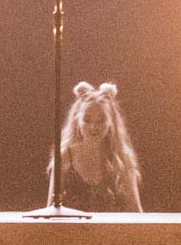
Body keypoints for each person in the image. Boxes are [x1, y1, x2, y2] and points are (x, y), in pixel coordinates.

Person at [47, 81, 143, 212]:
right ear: (77, 120)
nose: (93, 126)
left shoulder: (122, 158)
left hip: (110, 225)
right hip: (73, 225)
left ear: (111, 122)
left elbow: (135, 209)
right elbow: (51, 209)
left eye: (101, 120)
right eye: (87, 120)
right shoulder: (65, 156)